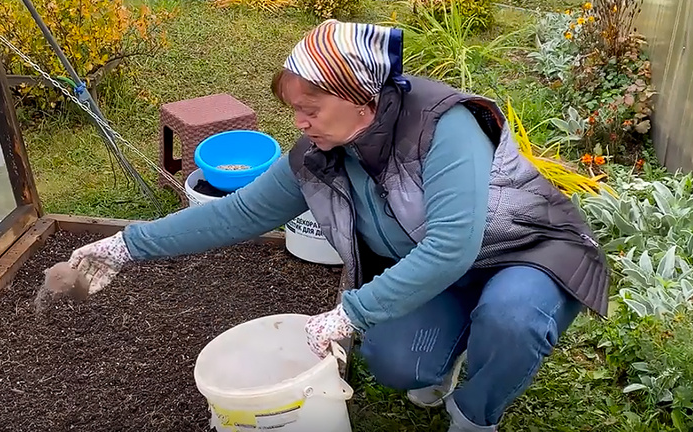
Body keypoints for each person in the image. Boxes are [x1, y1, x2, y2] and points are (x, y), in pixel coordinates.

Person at [64, 19, 609, 432]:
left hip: (526, 251)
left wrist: (351, 311)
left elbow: (449, 248)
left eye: (311, 106)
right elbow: (241, 213)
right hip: (441, 268)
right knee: (396, 362)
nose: (298, 122)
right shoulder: (320, 151)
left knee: (511, 319)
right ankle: (446, 356)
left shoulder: (446, 126)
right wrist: (126, 246)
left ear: (359, 95)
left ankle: (474, 413)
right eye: (294, 108)